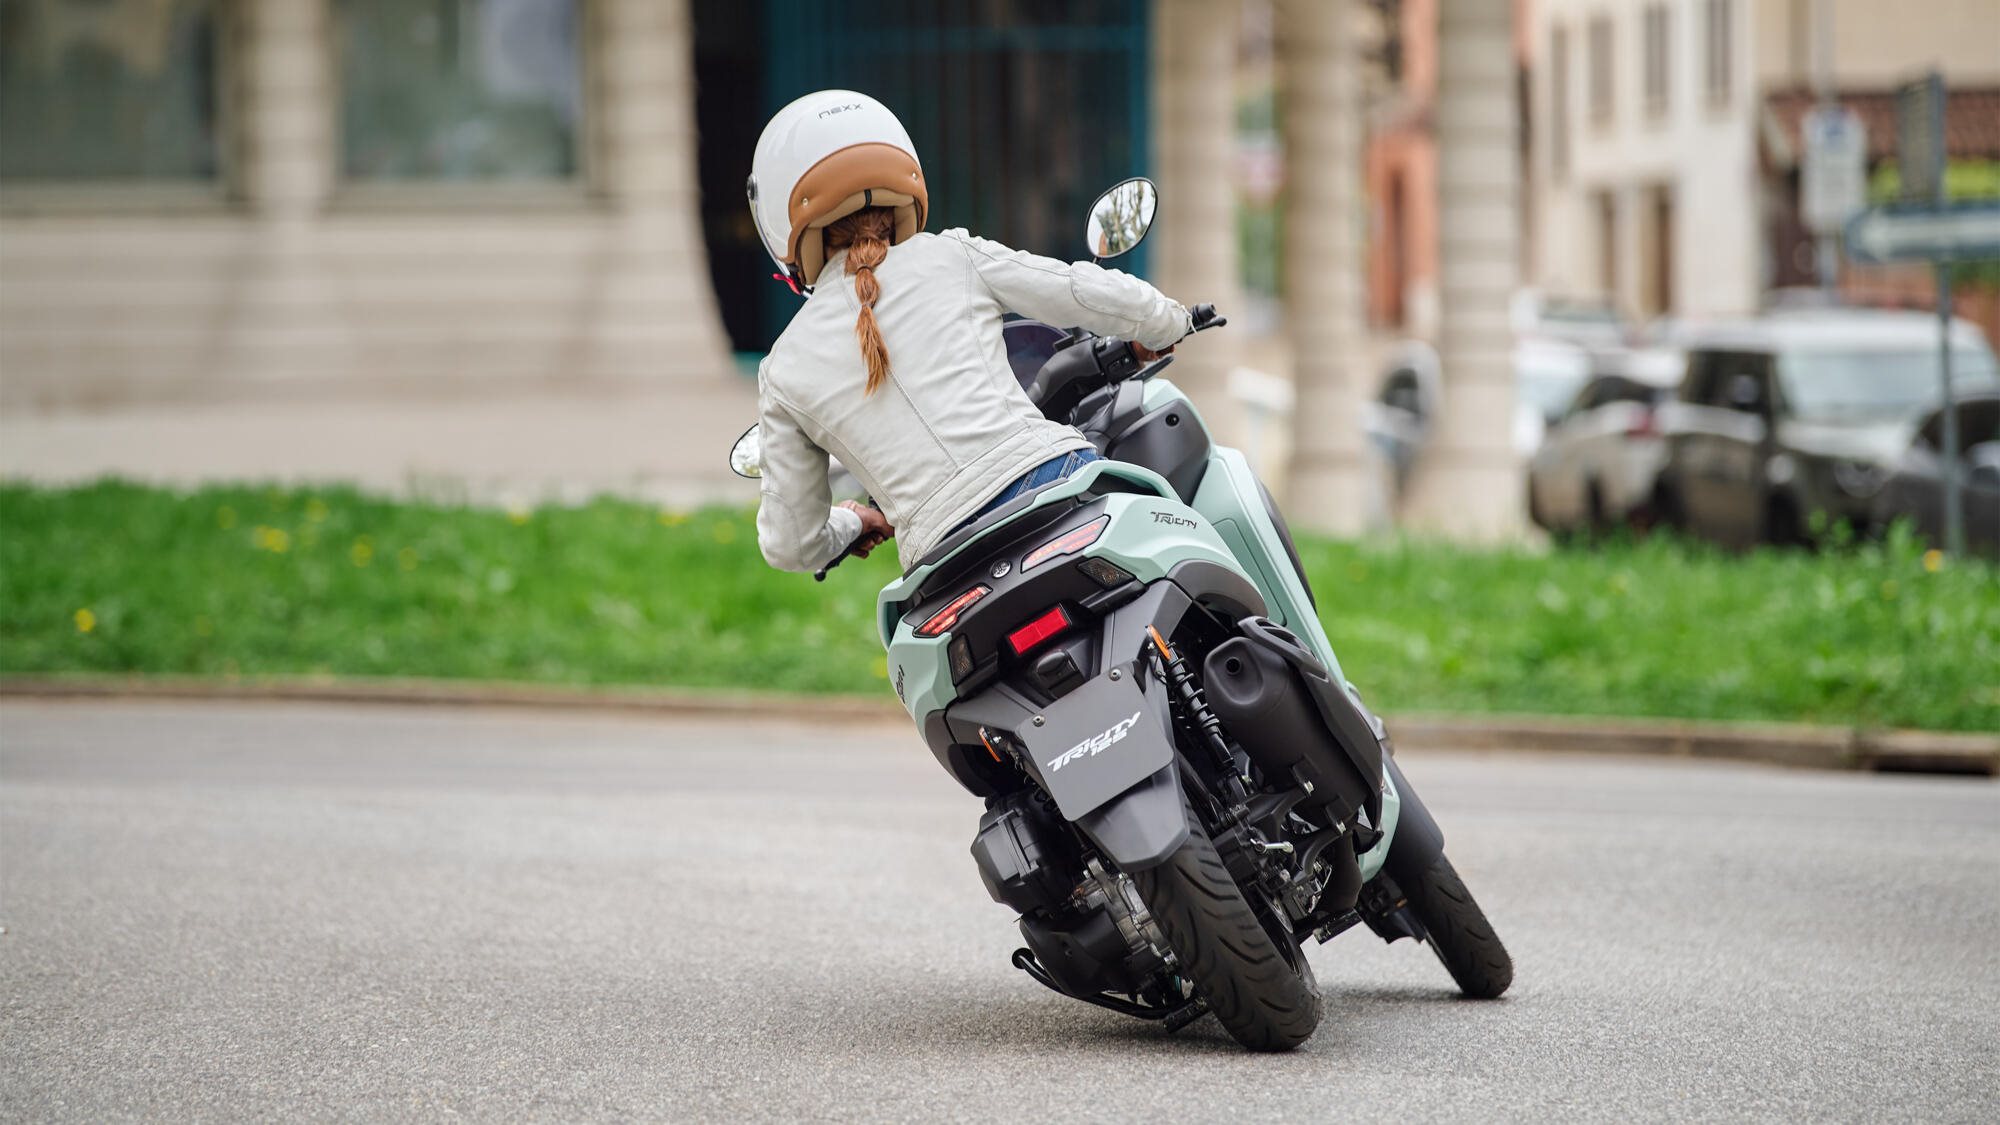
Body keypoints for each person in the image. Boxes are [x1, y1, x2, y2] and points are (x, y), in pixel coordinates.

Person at [746, 90, 1195, 575]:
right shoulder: (951, 254)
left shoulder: (782, 368)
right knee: (1181, 551)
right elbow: (1077, 290)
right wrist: (1168, 321)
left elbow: (791, 544)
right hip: (1051, 487)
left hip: (941, 562)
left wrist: (853, 522)